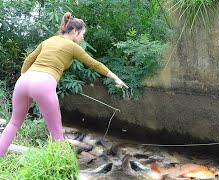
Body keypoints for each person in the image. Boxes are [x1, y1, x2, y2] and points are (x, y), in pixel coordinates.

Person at [0, 12, 128, 157]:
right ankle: (60, 170)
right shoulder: (72, 46)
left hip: (23, 82)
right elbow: (94, 64)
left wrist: (25, 77)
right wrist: (116, 78)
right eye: (82, 34)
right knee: (56, 133)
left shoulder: (48, 41)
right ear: (74, 31)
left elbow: (28, 60)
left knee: (14, 123)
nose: (83, 38)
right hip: (43, 84)